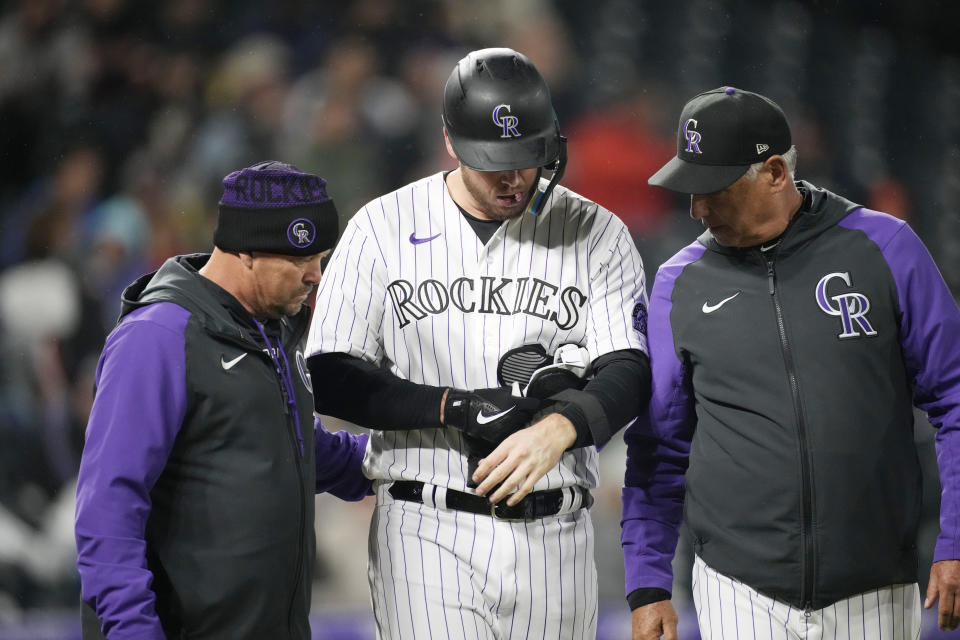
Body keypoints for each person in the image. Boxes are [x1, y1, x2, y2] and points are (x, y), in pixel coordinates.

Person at [306, 47, 651, 638]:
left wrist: (561, 427)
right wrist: (452, 406)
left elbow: (628, 371)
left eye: (525, 158)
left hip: (557, 533)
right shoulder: (380, 226)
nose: (511, 177)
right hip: (426, 526)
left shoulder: (597, 231)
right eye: (491, 160)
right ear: (449, 141)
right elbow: (334, 374)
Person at [620, 86, 960, 639]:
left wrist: (956, 538)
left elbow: (955, 397)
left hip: (875, 585)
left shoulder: (884, 247)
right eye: (689, 189)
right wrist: (648, 584)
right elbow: (659, 447)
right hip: (738, 587)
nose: (697, 209)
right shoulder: (678, 283)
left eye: (713, 189)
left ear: (775, 172)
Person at [74, 161, 374, 640]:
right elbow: (107, 506)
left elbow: (296, 450)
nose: (316, 277)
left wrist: (413, 455)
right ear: (247, 251)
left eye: (321, 258)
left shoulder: (271, 331)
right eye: (300, 261)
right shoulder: (158, 337)